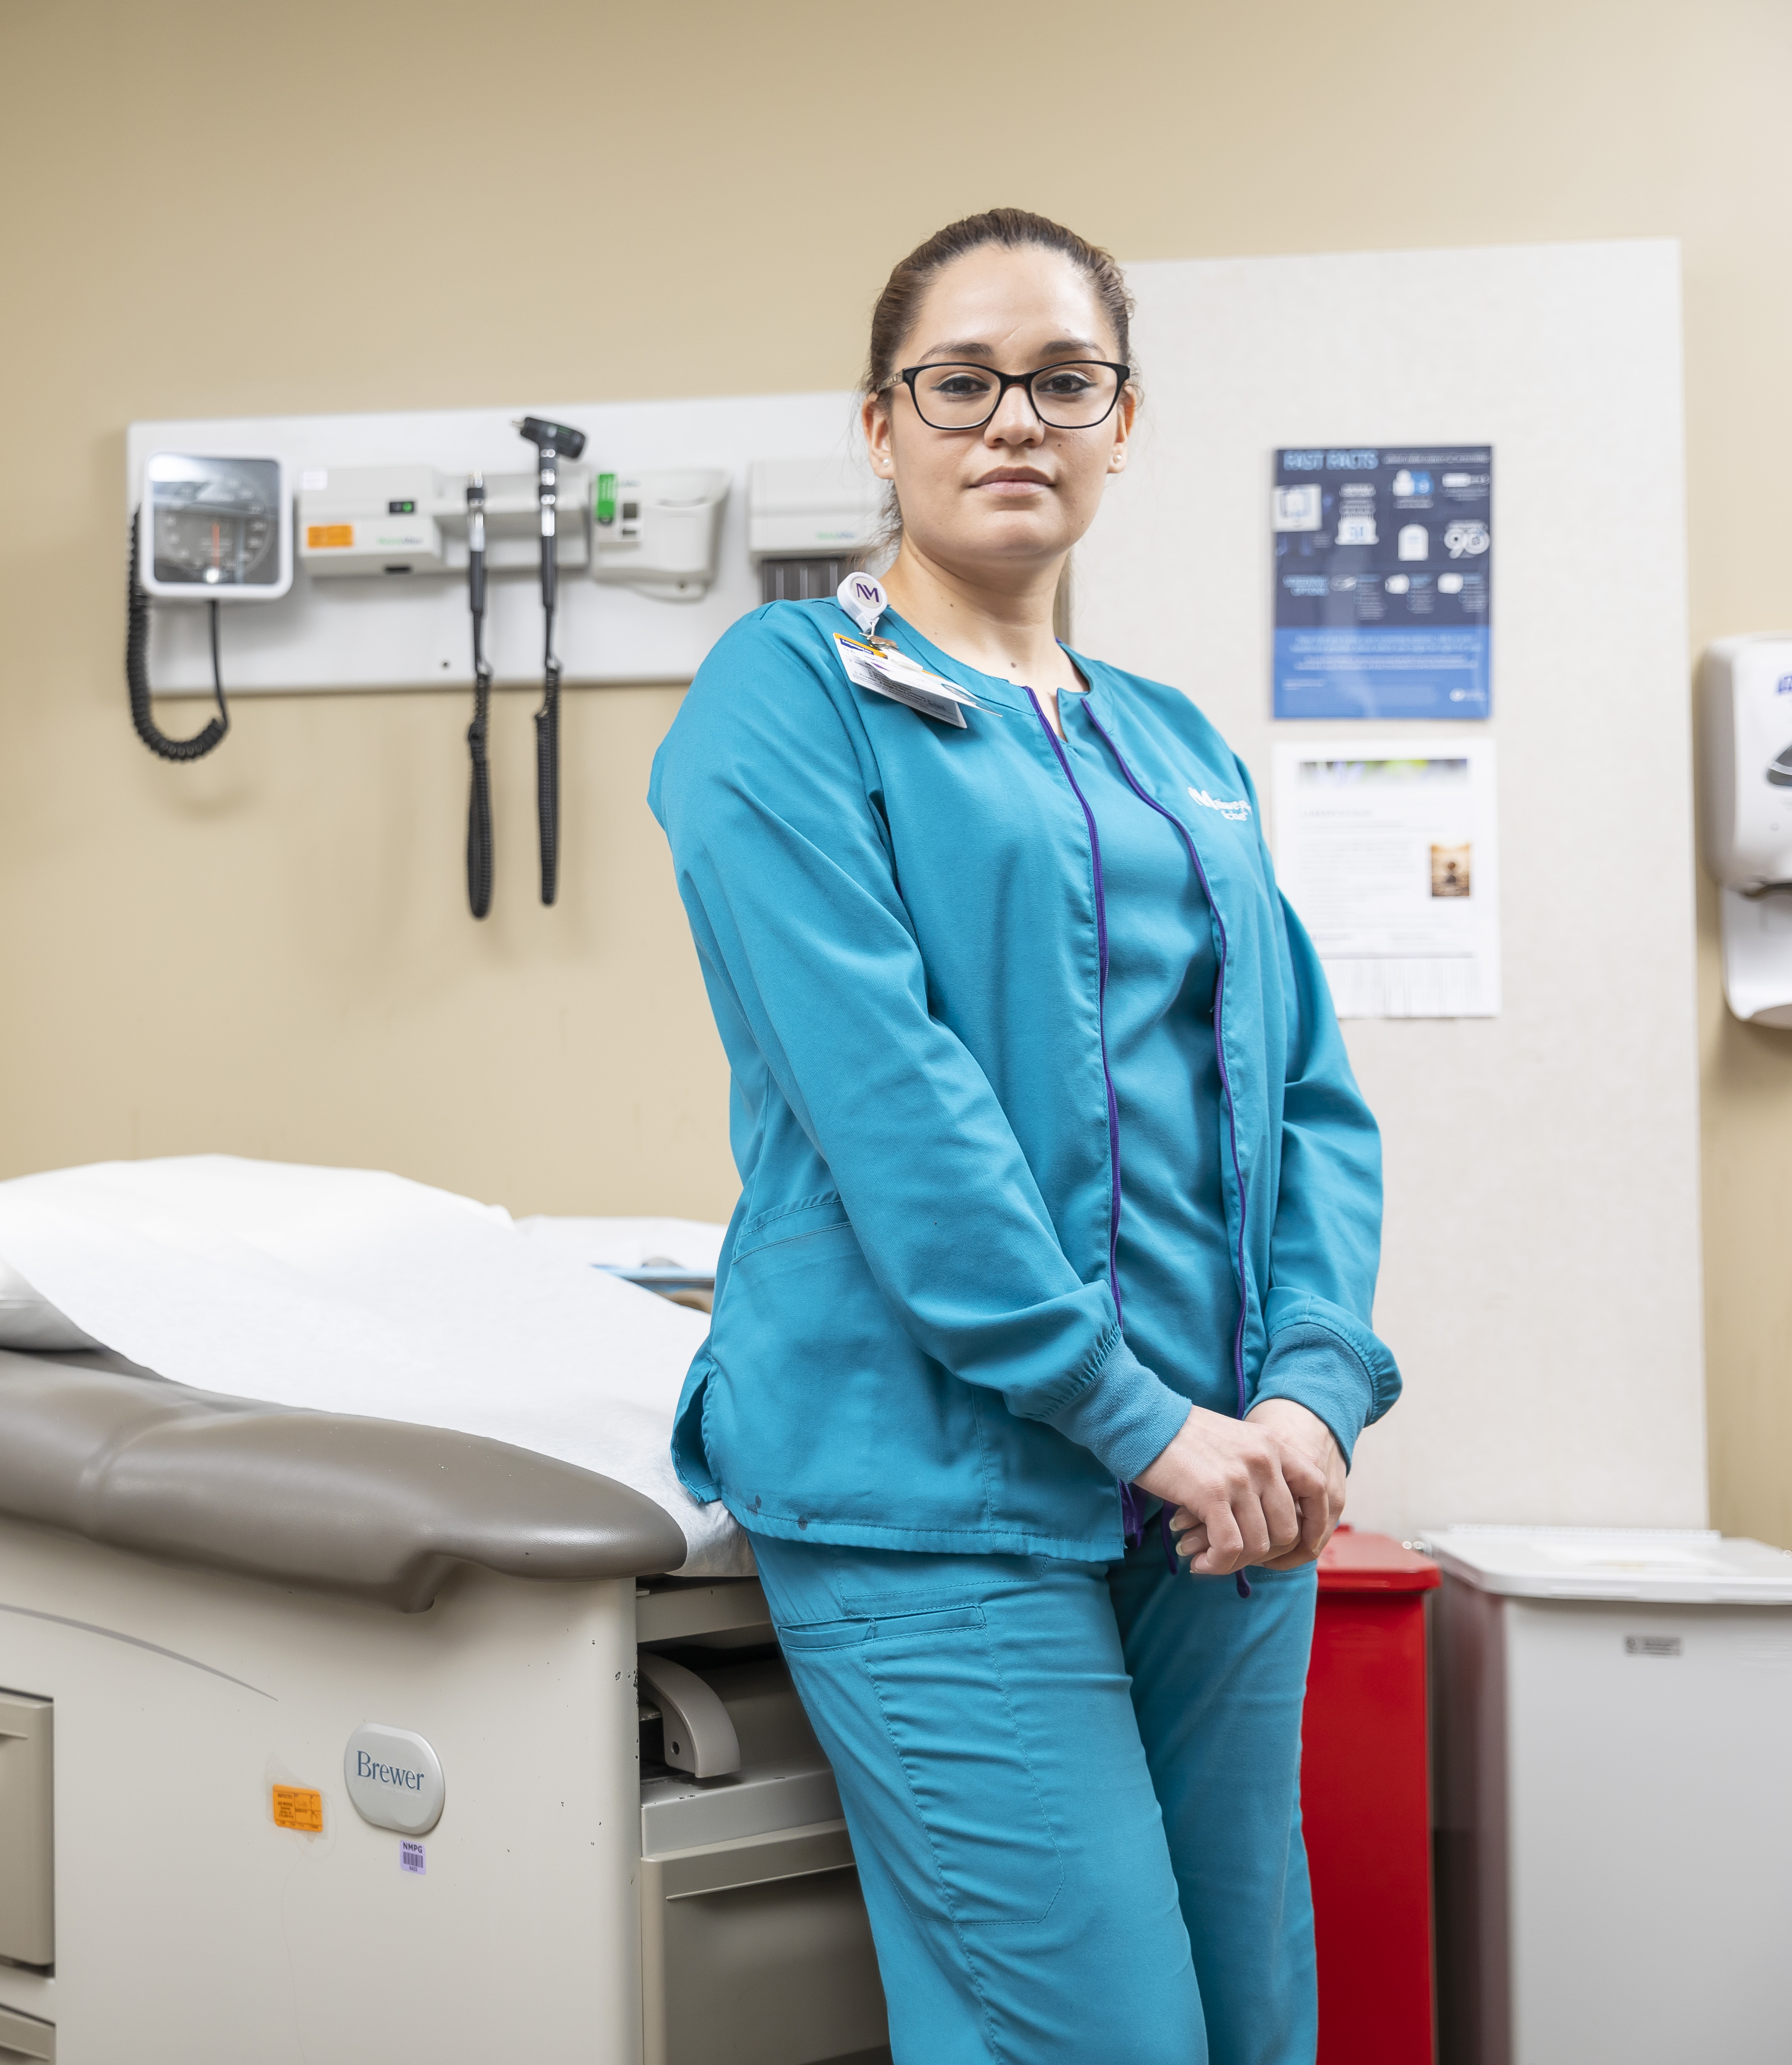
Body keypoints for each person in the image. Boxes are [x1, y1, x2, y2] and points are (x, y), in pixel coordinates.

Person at [648, 207, 1397, 2065]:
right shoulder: (787, 698)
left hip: (1231, 1489)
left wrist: (1307, 1394)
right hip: (941, 1486)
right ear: (882, 424)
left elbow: (1302, 1096)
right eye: (961, 380)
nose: (1014, 422)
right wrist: (1133, 1417)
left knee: (1249, 2014)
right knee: (1101, 2037)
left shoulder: (1175, 742)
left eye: (1065, 382)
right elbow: (898, 1112)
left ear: (1122, 424)